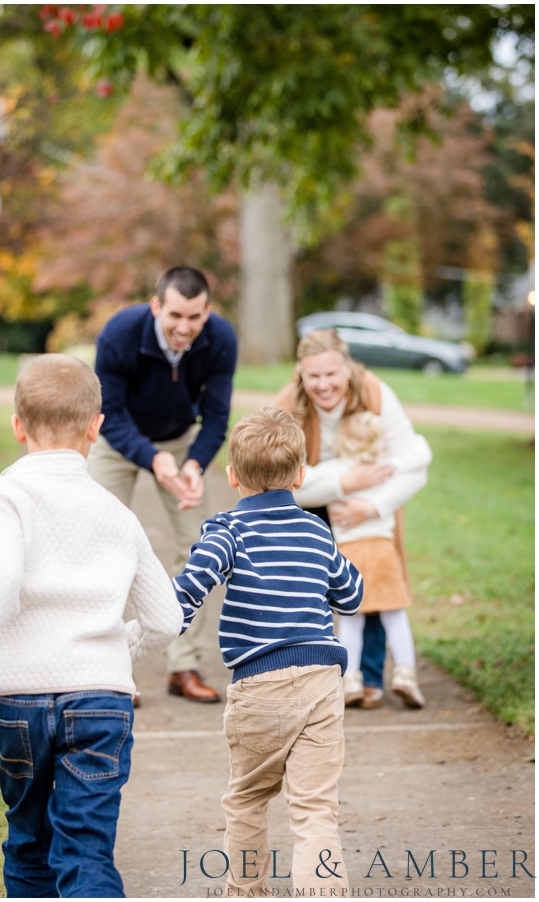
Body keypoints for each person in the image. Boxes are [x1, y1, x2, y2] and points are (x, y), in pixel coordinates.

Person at [0, 354, 183, 897]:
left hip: (17, 700)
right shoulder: (118, 513)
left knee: (29, 843)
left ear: (17, 426)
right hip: (100, 702)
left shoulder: (3, 494)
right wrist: (109, 647)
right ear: (96, 427)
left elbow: (1, 581)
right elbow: (166, 620)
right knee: (86, 851)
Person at [174, 407, 363, 896]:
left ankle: (246, 891)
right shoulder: (317, 532)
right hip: (321, 682)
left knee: (247, 799)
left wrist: (162, 624)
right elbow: (352, 596)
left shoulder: (228, 530)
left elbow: (191, 586)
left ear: (232, 476)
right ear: (300, 476)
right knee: (315, 808)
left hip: (259, 687)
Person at [90, 265, 238, 703]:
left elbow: (216, 417)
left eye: (195, 317)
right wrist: (152, 459)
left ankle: (183, 665)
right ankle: (106, 668)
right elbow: (109, 412)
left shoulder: (221, 339)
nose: (184, 327)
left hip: (179, 440)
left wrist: (193, 465)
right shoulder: (119, 333)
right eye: (175, 315)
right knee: (101, 543)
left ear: (207, 312)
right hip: (117, 440)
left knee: (199, 545)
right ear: (156, 306)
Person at [273, 329, 430, 709]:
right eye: (314, 376)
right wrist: (344, 481)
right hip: (310, 503)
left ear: (348, 368)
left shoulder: (376, 394)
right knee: (307, 588)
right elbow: (282, 481)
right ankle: (310, 673)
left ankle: (369, 677)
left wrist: (371, 505)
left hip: (369, 503)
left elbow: (414, 465)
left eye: (331, 374)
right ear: (301, 373)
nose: (323, 385)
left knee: (373, 584)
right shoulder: (288, 405)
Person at [319, 412, 428, 707]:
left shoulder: (335, 472)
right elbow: (421, 452)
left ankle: (351, 679)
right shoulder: (387, 469)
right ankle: (405, 674)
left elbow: (307, 480)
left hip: (349, 553)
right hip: (383, 550)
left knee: (351, 620)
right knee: (395, 616)